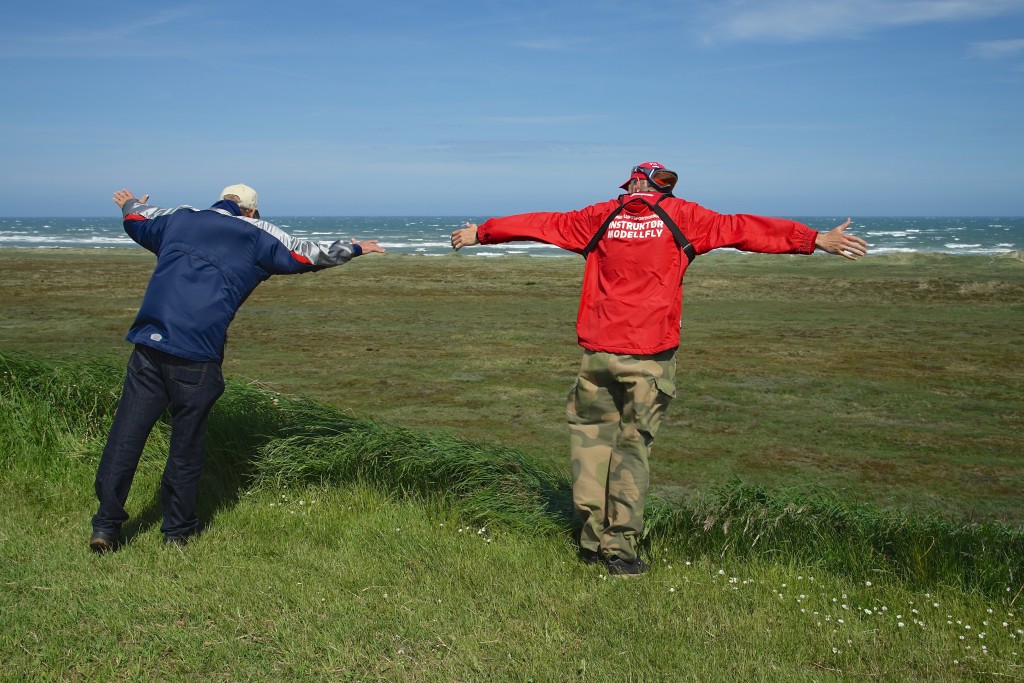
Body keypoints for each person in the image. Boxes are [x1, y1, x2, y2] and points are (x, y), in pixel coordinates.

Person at [450, 162, 867, 577]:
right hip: (649, 358)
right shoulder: (683, 216)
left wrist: (480, 233)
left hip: (597, 355)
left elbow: (539, 224)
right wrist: (813, 239)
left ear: (629, 185)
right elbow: (744, 229)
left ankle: (592, 544)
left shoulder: (598, 217)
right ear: (661, 186)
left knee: (591, 447)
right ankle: (621, 554)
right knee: (632, 450)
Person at [90, 184, 384, 552]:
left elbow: (137, 220)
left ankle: (105, 526)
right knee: (186, 446)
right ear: (251, 212)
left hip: (149, 346)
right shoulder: (254, 234)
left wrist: (131, 204)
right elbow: (307, 255)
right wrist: (355, 248)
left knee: (125, 437)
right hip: (197, 356)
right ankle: (177, 533)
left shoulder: (180, 219)